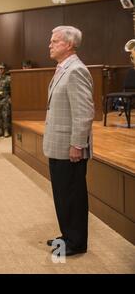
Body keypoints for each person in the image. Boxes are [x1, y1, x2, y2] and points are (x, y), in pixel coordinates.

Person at [43, 26, 94, 257]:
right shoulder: (63, 68)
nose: (50, 45)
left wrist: (77, 144)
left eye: (55, 41)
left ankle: (76, 242)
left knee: (73, 196)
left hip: (69, 146)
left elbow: (83, 112)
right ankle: (67, 235)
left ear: (69, 45)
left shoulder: (76, 70)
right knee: (63, 195)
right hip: (58, 144)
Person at [0, 63, 12, 137]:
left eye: (2, 68)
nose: (1, 70)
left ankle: (6, 131)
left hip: (5, 99)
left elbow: (12, 89)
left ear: (5, 69)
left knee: (5, 115)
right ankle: (0, 130)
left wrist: (10, 98)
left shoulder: (9, 78)